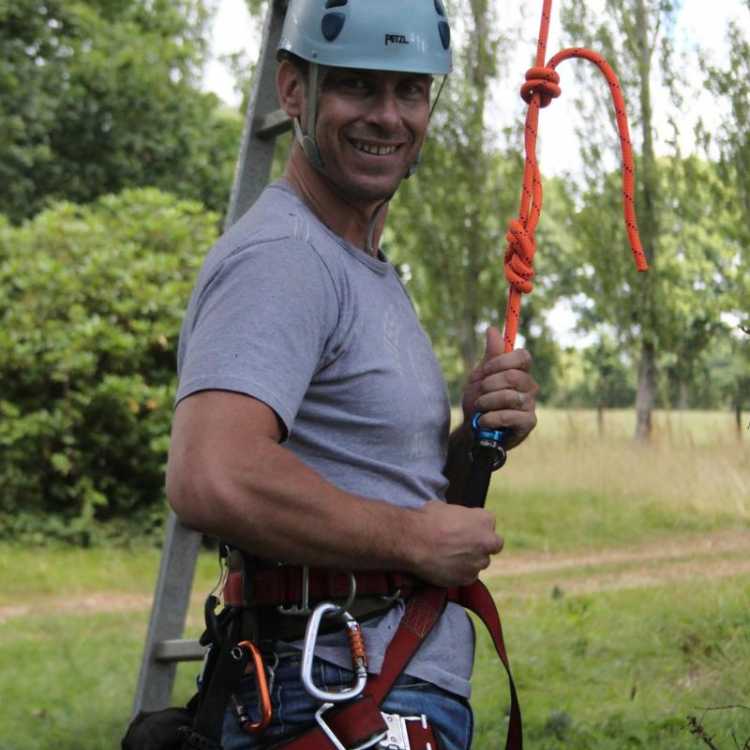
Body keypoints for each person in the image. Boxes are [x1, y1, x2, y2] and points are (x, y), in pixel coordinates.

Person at [166, 1, 538, 749]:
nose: (388, 117)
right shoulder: (285, 258)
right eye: (358, 87)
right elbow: (212, 474)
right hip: (330, 697)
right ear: (294, 91)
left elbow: (375, 479)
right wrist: (410, 539)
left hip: (367, 689)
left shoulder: (354, 262)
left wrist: (478, 436)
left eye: (409, 92)